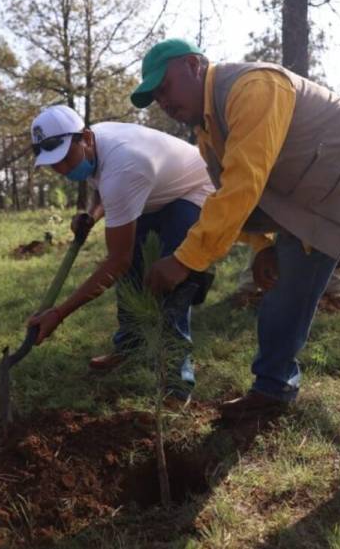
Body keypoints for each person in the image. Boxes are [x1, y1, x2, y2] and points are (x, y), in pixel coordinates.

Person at [131, 38, 340, 474]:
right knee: (286, 296)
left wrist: (184, 260)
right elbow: (250, 195)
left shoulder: (253, 88)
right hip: (318, 203)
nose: (163, 101)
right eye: (155, 97)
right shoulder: (208, 133)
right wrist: (262, 247)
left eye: (164, 88)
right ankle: (272, 389)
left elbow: (245, 181)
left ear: (194, 65)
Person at [25, 105, 215, 404]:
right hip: (154, 192)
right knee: (131, 275)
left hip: (195, 190)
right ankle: (130, 346)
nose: (61, 169)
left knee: (170, 277)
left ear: (85, 137)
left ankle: (178, 381)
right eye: (53, 163)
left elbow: (116, 260)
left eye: (64, 158)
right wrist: (93, 214)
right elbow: (103, 184)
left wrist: (59, 314)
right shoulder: (94, 146)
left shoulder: (124, 165)